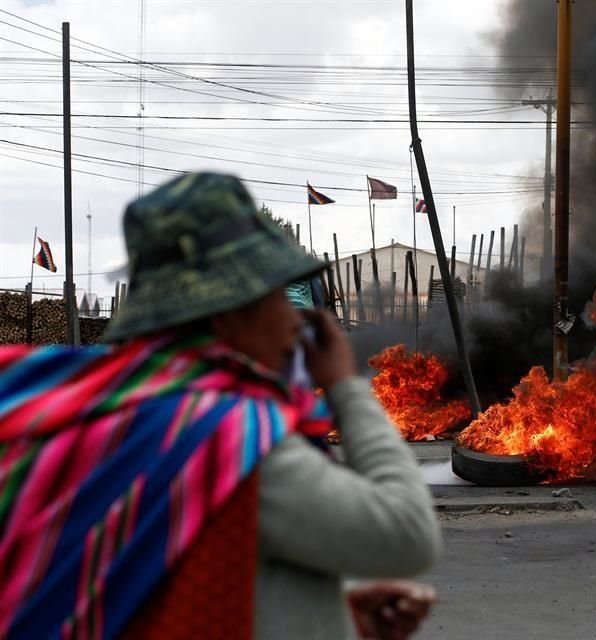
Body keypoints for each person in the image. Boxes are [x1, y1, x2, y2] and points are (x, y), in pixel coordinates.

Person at [0, 173, 442, 640]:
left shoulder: (123, 411)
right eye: (278, 292)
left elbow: (162, 586)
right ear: (230, 309)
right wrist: (346, 388)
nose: (297, 318)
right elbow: (408, 534)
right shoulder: (225, 436)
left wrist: (331, 613)